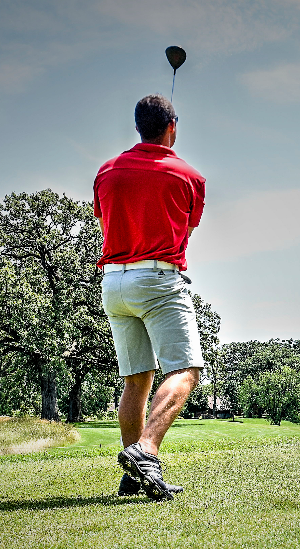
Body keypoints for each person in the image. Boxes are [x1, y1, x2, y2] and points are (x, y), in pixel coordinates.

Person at [94, 94, 206, 500]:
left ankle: (133, 474)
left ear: (138, 125)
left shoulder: (106, 172)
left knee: (137, 378)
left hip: (113, 282)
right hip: (157, 279)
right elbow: (185, 233)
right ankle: (146, 451)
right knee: (186, 370)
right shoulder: (190, 177)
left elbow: (107, 223)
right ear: (171, 127)